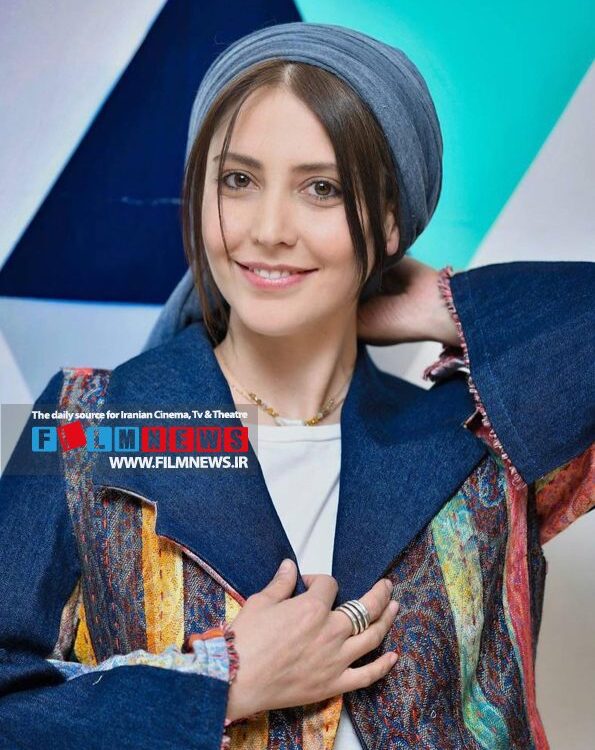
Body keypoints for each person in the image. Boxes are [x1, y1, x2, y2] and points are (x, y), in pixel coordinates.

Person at [0, 21, 593, 750]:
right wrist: (221, 681)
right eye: (238, 181)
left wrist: (447, 306)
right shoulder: (80, 419)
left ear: (388, 222)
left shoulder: (482, 440)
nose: (269, 229)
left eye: (322, 188)